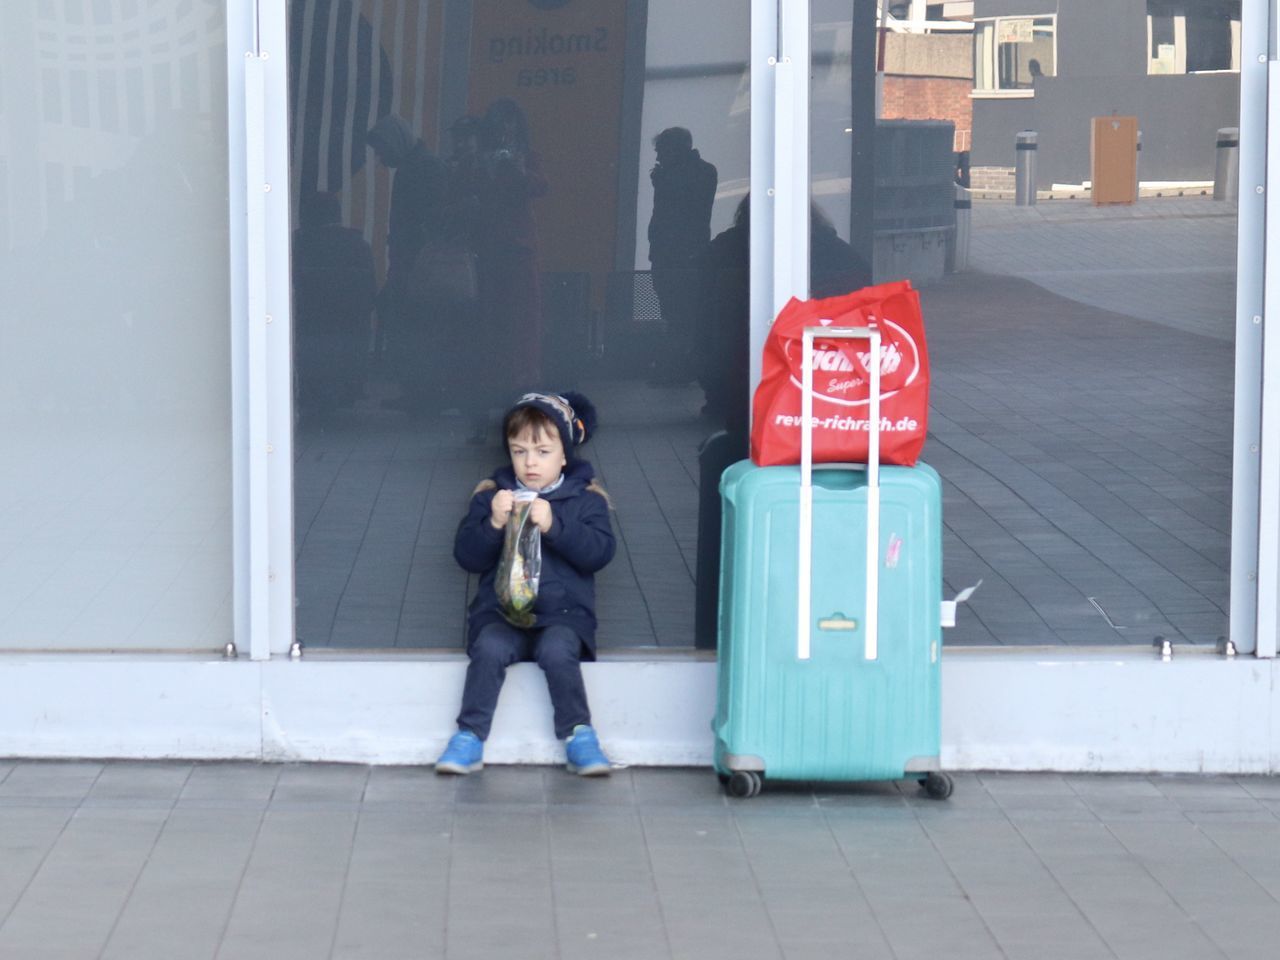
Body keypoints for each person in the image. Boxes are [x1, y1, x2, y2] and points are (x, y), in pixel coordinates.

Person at [437, 391, 616, 776]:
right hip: (502, 614)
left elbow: (599, 553)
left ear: (565, 454)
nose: (530, 462)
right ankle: (468, 736)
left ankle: (580, 735)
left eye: (543, 451)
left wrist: (555, 525)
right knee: (488, 648)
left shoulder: (586, 501)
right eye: (519, 451)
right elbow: (467, 557)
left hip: (563, 617)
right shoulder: (493, 498)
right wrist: (493, 525)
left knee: (557, 651)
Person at [648, 126, 717, 382]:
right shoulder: (701, 171)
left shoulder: (694, 173)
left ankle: (678, 369)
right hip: (676, 252)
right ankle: (679, 367)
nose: (658, 158)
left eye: (661, 151)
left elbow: (679, 209)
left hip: (679, 254)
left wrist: (663, 178)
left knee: (680, 313)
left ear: (675, 149)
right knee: (677, 312)